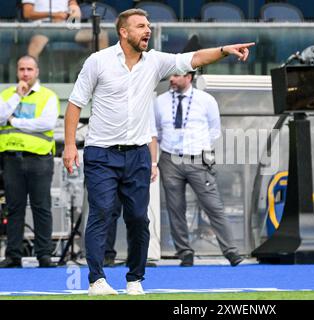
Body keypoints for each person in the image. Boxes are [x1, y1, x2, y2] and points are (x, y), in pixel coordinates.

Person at [63, 8, 254, 296]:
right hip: (101, 153)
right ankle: (96, 280)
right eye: (141, 26)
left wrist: (225, 50)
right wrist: (68, 145)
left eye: (149, 25)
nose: (147, 30)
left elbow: (194, 59)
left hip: (137, 154)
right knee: (101, 213)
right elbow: (75, 104)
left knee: (139, 218)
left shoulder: (155, 61)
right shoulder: (97, 62)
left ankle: (134, 280)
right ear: (123, 32)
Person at [155, 71, 244, 267]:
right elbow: (157, 131)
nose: (171, 79)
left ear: (189, 77)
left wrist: (198, 148)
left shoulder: (206, 100)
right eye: (170, 75)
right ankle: (184, 253)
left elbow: (214, 130)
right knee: (175, 207)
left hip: (198, 159)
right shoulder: (160, 101)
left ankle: (231, 251)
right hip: (170, 159)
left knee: (213, 205)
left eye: (176, 75)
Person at [0, 55, 60, 268]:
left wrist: (14, 120)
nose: (25, 73)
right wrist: (17, 96)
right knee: (14, 209)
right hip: (12, 160)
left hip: (39, 160)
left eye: (29, 69)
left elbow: (45, 123)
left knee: (41, 207)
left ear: (37, 72)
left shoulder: (48, 96)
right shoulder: (7, 95)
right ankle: (13, 255)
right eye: (22, 69)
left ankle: (44, 255)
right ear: (17, 72)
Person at [22, 0, 109, 59]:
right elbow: (27, 13)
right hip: (43, 28)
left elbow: (72, 3)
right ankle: (31, 80)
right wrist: (53, 15)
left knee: (101, 35)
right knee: (35, 45)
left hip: (66, 28)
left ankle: (99, 75)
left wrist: (75, 11)